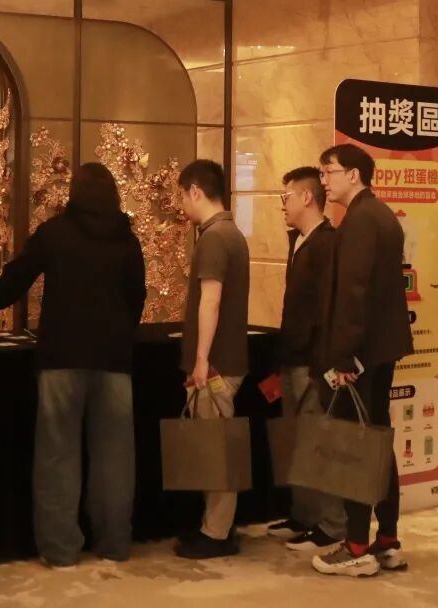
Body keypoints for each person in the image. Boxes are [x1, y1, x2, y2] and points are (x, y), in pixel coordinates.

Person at [0, 162, 147, 568]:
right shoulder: (127, 240)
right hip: (114, 360)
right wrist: (121, 331)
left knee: (57, 455)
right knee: (115, 456)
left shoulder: (55, 233)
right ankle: (114, 543)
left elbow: (19, 274)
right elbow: (136, 295)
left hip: (61, 358)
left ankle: (61, 548)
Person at [310, 144, 413, 577]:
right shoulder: (382, 214)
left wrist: (343, 355)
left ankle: (355, 546)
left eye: (329, 172)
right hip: (381, 349)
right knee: (377, 441)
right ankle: (386, 540)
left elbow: (354, 291)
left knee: (356, 446)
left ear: (354, 175)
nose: (324, 181)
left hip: (361, 354)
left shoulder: (361, 220)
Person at [266, 166, 347, 553]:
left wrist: (322, 361)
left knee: (318, 441)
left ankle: (331, 525)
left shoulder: (327, 243)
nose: (282, 205)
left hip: (314, 362)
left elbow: (329, 310)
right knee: (296, 439)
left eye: (286, 197)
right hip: (291, 355)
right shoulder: (298, 240)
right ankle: (304, 515)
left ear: (307, 197)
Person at [173, 159, 251, 560]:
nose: (181, 204)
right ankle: (217, 525)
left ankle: (217, 533)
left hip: (217, 365)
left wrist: (201, 359)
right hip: (226, 360)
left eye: (182, 195)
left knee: (216, 450)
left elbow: (211, 301)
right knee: (215, 446)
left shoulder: (214, 238)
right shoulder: (231, 233)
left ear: (196, 192)